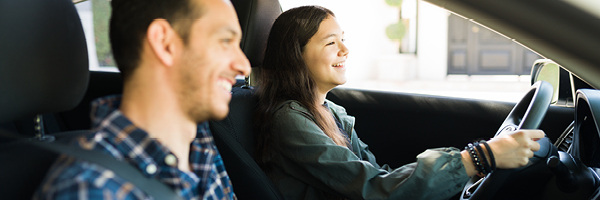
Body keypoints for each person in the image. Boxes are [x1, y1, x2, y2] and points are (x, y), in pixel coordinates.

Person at [254, 5, 544, 200]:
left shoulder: (331, 112)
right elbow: (375, 188)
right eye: (331, 43)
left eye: (343, 39)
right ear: (296, 55)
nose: (345, 49)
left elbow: (380, 176)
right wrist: (478, 158)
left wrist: (469, 163)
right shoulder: (289, 120)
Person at [34, 0, 250, 199]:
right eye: (225, 41)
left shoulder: (200, 147)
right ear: (165, 43)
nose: (244, 66)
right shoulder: (89, 189)